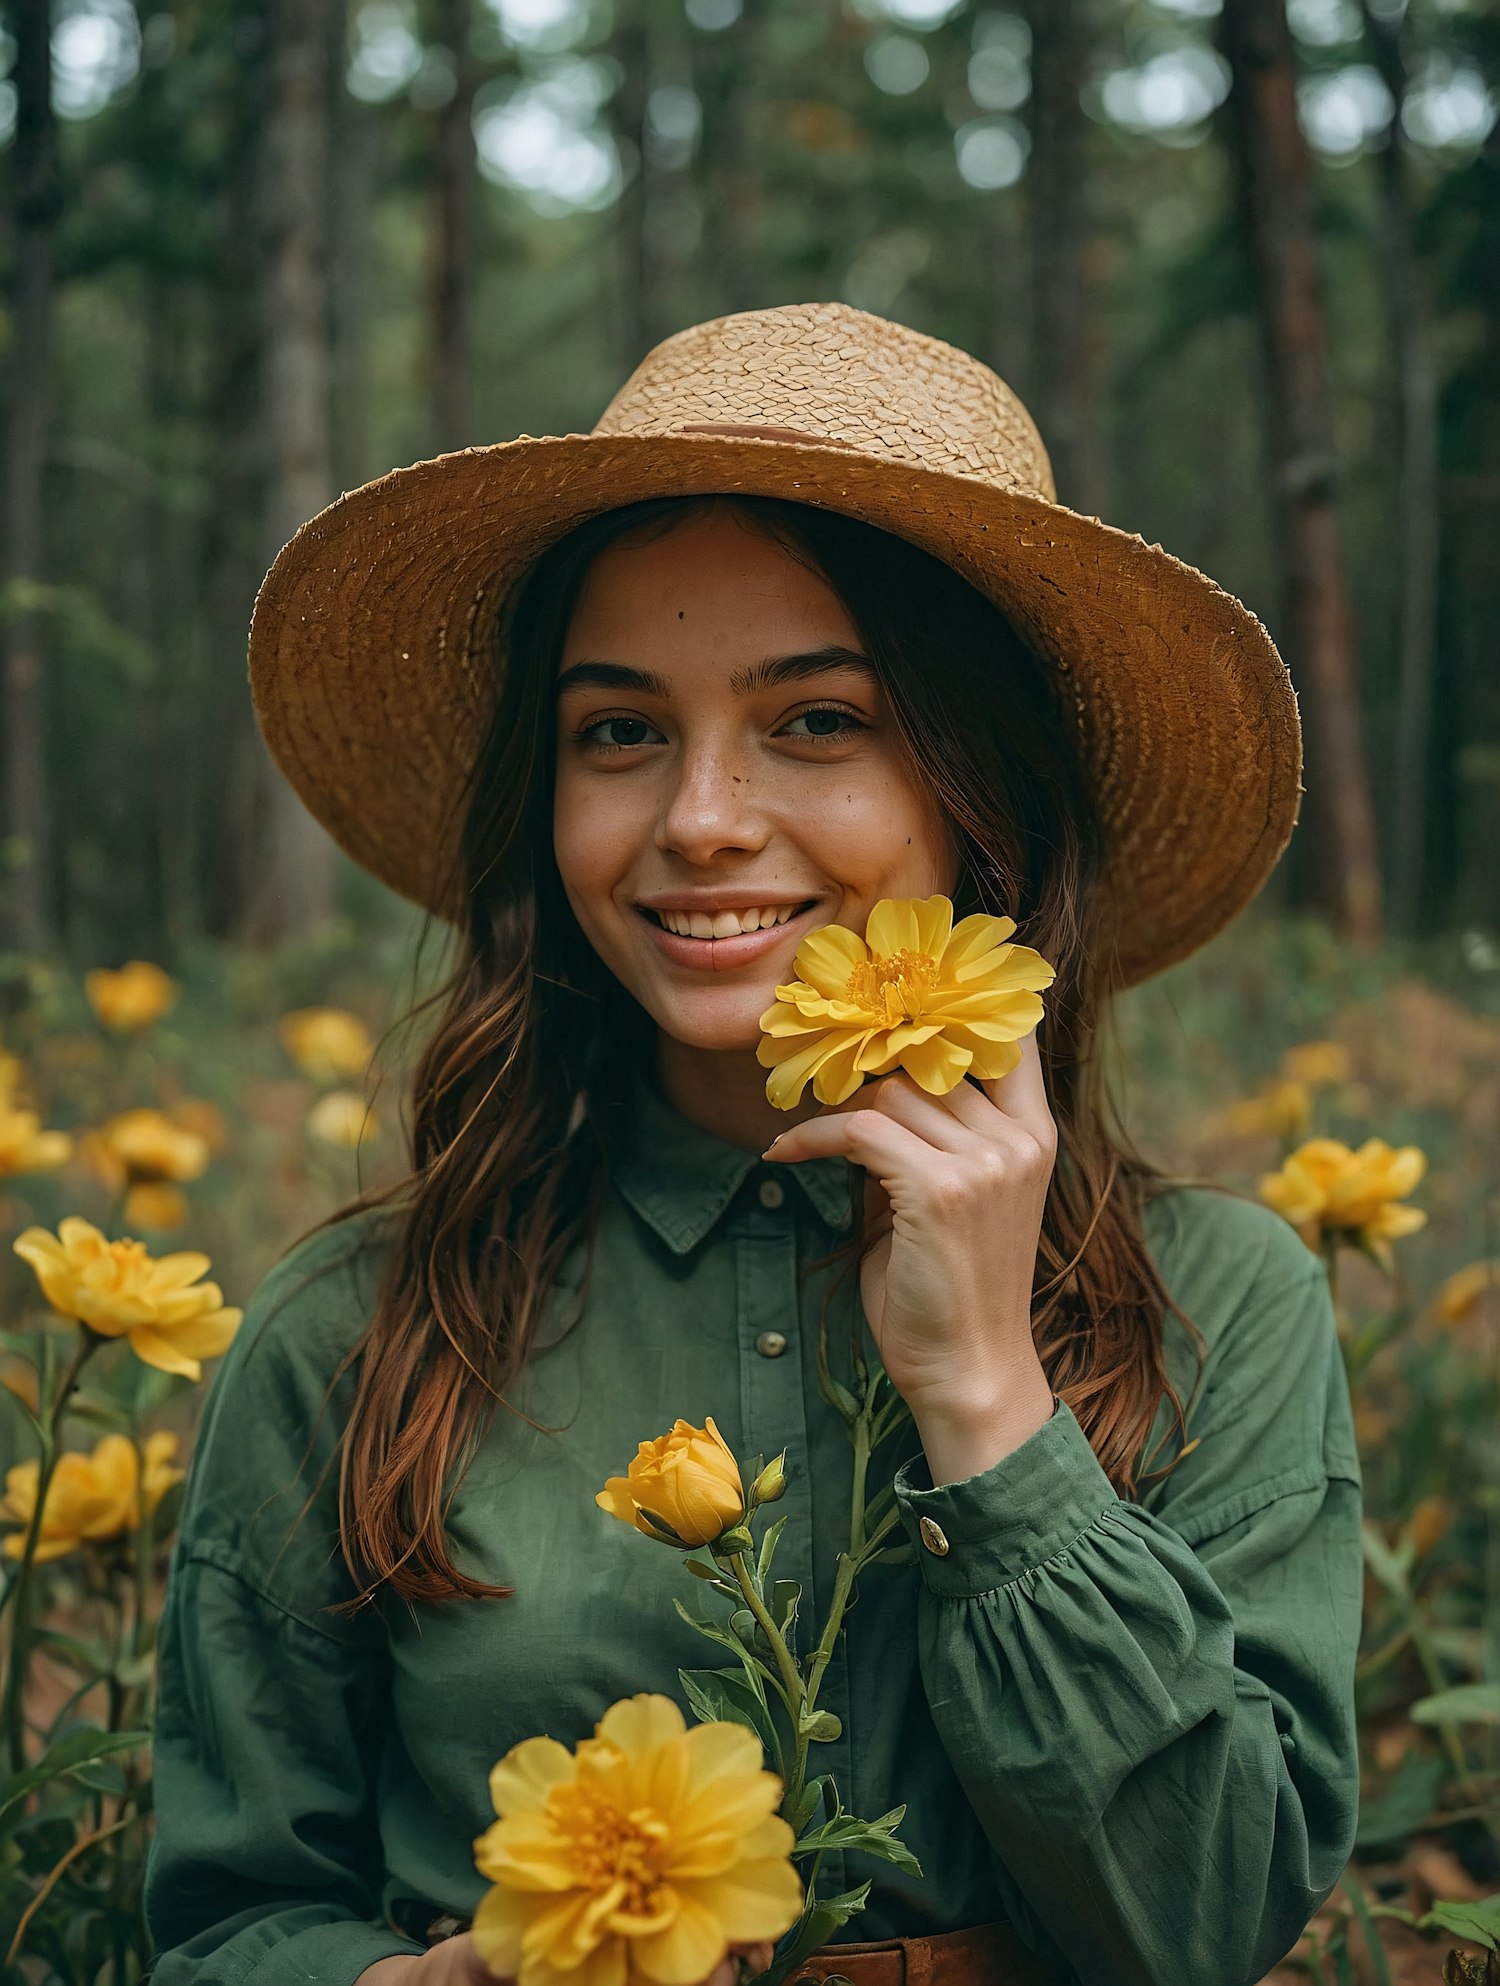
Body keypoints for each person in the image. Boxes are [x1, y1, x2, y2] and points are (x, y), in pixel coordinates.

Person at [143, 303, 1361, 1986]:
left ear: (984, 789)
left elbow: (1214, 1925)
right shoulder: (354, 1333)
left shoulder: (1226, 1305)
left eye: (818, 720)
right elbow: (220, 1925)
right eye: (620, 730)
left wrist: (996, 1410)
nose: (702, 817)